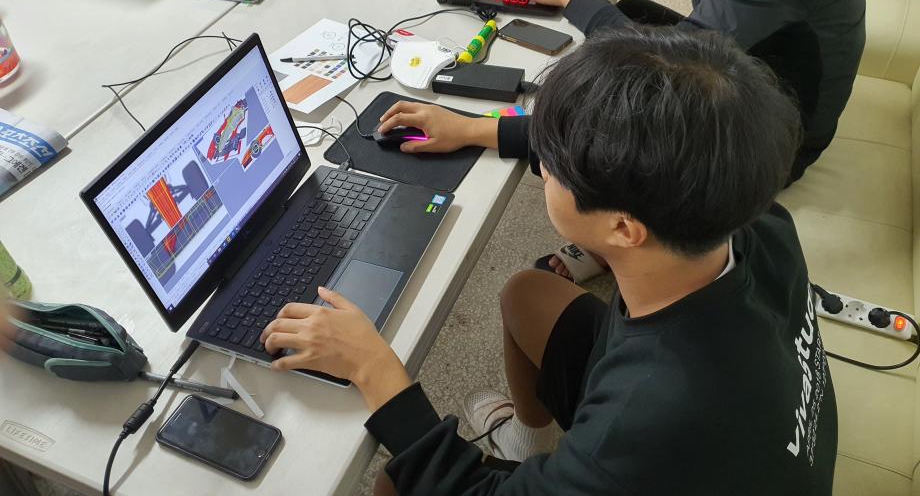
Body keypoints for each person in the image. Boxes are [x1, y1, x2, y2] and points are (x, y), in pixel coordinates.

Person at [261, 26, 837, 495]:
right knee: (527, 294)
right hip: (708, 423)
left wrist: (372, 366)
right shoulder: (749, 216)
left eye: (554, 163)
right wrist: (475, 130)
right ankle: (524, 440)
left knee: (399, 479)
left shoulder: (643, 416)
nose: (542, 166)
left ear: (623, 229)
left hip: (673, 448)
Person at [378, 0, 865, 281]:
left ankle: (622, 248)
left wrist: (472, 130)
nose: (545, 173)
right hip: (759, 78)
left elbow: (638, 104)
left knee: (607, 125)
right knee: (629, 11)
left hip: (770, 136)